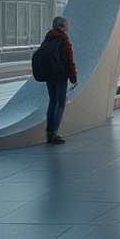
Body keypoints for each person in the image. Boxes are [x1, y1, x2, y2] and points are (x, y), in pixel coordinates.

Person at [42, 16, 78, 144]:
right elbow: (69, 61)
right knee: (60, 104)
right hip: (60, 77)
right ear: (62, 26)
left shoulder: (47, 39)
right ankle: (54, 133)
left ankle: (48, 133)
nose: (68, 26)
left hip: (49, 76)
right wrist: (73, 77)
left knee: (52, 102)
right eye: (66, 24)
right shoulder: (64, 41)